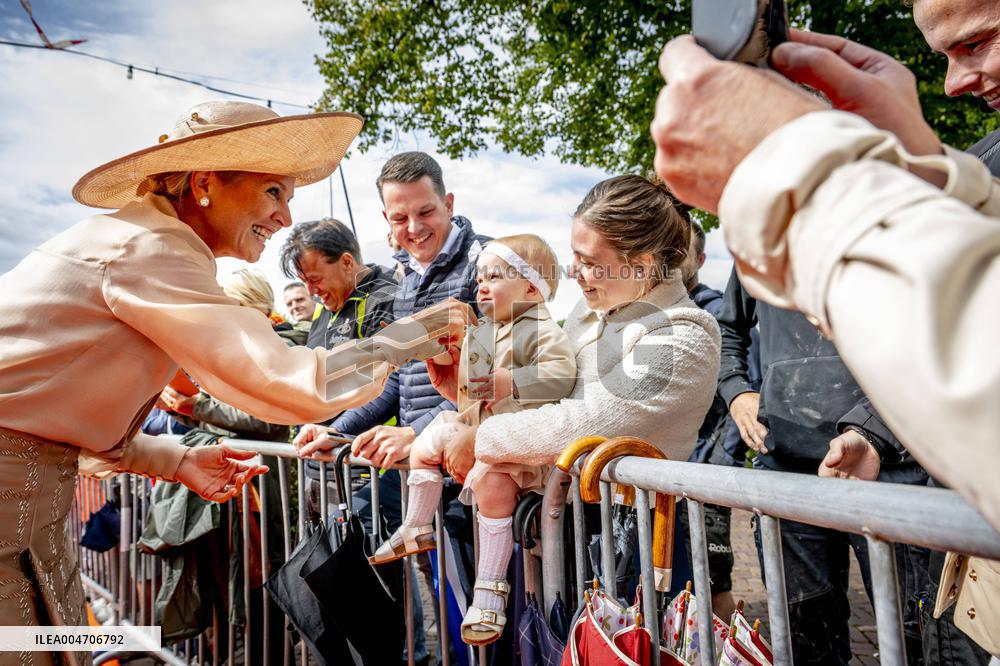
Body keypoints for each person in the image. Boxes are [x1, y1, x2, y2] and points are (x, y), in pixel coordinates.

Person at [0, 100, 471, 647]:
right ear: (204, 183)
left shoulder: (145, 242)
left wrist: (169, 458)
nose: (285, 218)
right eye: (274, 192)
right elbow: (285, 380)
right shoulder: (152, 247)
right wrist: (414, 336)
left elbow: (44, 415)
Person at [650, 23, 1000, 659]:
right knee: (806, 634)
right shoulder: (952, 174)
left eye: (979, 39)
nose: (953, 82)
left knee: (916, 637)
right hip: (789, 467)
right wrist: (738, 394)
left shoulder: (847, 210)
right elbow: (732, 328)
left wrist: (814, 184)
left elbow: (951, 327)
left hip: (893, 472)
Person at [424, 175, 721, 604]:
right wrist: (465, 398)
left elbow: (592, 420)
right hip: (569, 531)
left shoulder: (684, 333)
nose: (572, 273)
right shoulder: (590, 310)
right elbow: (551, 398)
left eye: (587, 261)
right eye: (573, 256)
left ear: (640, 263)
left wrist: (482, 439)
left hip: (632, 547)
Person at [369, 234, 576, 647]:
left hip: (514, 447)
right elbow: (469, 395)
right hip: (478, 431)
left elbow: (562, 375)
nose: (481, 285)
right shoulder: (484, 335)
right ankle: (416, 526)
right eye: (480, 277)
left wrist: (512, 381)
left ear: (532, 288)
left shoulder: (540, 327)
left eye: (495, 277)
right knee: (427, 442)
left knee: (493, 487)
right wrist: (445, 370)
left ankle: (490, 589)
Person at [279, 217, 398, 523]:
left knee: (364, 566)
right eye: (304, 280)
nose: (311, 290)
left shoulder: (385, 298)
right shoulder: (325, 306)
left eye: (315, 278)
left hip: (363, 465)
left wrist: (339, 432)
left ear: (346, 262)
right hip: (319, 460)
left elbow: (388, 382)